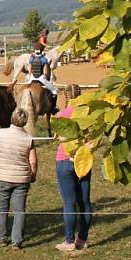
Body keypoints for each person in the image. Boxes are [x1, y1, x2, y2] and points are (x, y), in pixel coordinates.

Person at [0, 108, 38, 250]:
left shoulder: (1, 133)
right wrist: (33, 174)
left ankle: (2, 238)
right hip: (21, 179)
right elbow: (33, 161)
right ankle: (17, 241)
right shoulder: (28, 138)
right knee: (19, 210)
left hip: (2, 177)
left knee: (2, 207)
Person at [54, 106, 92, 252]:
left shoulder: (61, 115)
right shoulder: (88, 115)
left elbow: (57, 137)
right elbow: (92, 141)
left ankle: (69, 241)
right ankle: (82, 239)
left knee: (69, 203)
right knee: (84, 202)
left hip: (64, 162)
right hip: (83, 162)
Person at [27, 43, 58, 111]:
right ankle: (53, 108)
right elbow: (46, 72)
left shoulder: (31, 59)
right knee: (54, 90)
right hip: (41, 78)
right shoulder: (44, 59)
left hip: (32, 78)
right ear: (41, 51)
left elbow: (29, 70)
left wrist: (32, 75)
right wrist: (46, 78)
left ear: (34, 50)